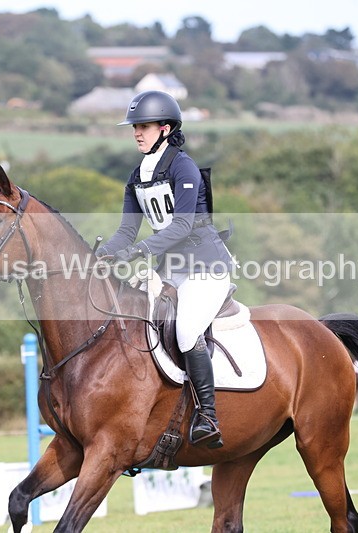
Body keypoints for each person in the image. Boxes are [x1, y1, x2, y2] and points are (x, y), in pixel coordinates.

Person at [96, 90, 234, 449]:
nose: (136, 133)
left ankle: (208, 416)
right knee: (133, 319)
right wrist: (101, 254)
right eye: (135, 127)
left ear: (165, 128)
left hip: (206, 267)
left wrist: (137, 252)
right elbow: (125, 232)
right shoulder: (137, 176)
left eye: (143, 126)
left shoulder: (182, 167)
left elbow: (182, 226)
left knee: (186, 331)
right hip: (170, 270)